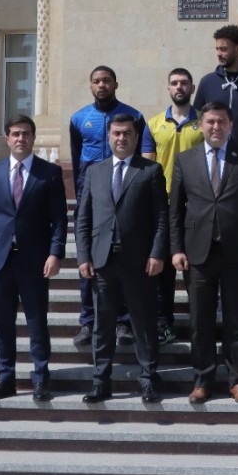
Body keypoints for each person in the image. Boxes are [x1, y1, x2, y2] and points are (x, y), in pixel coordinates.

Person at [169, 102, 238, 405]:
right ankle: (202, 380)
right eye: (210, 122)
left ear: (231, 125)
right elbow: (174, 210)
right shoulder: (185, 160)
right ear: (200, 125)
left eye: (221, 122)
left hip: (237, 252)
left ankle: (237, 380)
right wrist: (176, 249)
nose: (215, 127)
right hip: (198, 253)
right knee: (201, 321)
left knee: (237, 319)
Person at [0, 115, 68, 402]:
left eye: (25, 133)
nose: (20, 138)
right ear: (6, 139)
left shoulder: (49, 173)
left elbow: (60, 219)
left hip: (35, 260)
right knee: (3, 322)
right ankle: (6, 378)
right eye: (15, 134)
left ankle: (41, 378)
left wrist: (55, 253)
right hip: (0, 259)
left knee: (37, 321)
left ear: (33, 138)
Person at [75, 114, 169, 404]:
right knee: (103, 325)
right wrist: (83, 256)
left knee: (143, 323)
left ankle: (148, 380)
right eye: (116, 133)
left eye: (127, 133)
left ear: (136, 136)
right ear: (108, 136)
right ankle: (101, 381)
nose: (121, 138)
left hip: (139, 262)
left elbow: (161, 219)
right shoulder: (95, 171)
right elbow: (83, 218)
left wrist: (156, 253)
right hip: (102, 261)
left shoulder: (150, 171)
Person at [68, 65, 154, 348]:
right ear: (90, 85)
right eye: (96, 81)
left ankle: (124, 321)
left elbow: (142, 154)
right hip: (93, 197)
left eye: (106, 80)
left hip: (125, 196)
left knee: (124, 262)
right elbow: (77, 158)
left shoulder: (135, 116)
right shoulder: (79, 119)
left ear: (116, 83)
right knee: (90, 261)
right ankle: (87, 320)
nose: (101, 85)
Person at [146, 67, 204, 346]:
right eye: (174, 83)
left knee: (197, 267)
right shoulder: (155, 123)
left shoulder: (204, 122)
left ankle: (200, 322)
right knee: (164, 269)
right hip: (164, 203)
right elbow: (148, 164)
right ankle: (163, 321)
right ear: (168, 88)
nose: (179, 87)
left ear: (192, 88)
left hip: (197, 204)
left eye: (184, 83)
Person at [195, 25, 238, 146]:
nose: (218, 53)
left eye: (223, 49)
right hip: (215, 152)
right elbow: (197, 118)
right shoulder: (207, 82)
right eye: (217, 49)